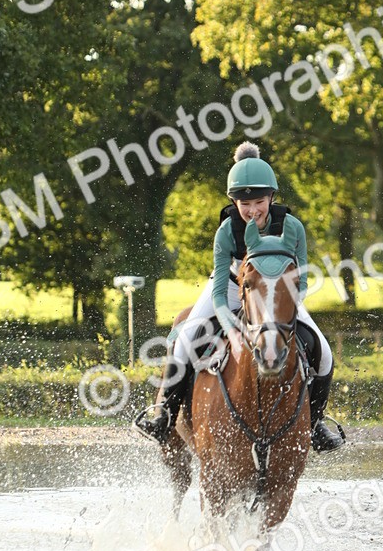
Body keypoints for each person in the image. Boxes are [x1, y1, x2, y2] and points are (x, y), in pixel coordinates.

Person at [137, 142, 344, 452]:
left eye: (259, 202)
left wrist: (284, 305)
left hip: (279, 293)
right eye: (242, 204)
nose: (252, 211)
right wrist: (233, 331)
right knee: (185, 339)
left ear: (272, 197)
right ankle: (164, 416)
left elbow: (300, 281)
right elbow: (219, 293)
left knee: (323, 351)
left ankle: (315, 425)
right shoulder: (226, 231)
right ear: (233, 202)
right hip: (232, 289)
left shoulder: (293, 228)